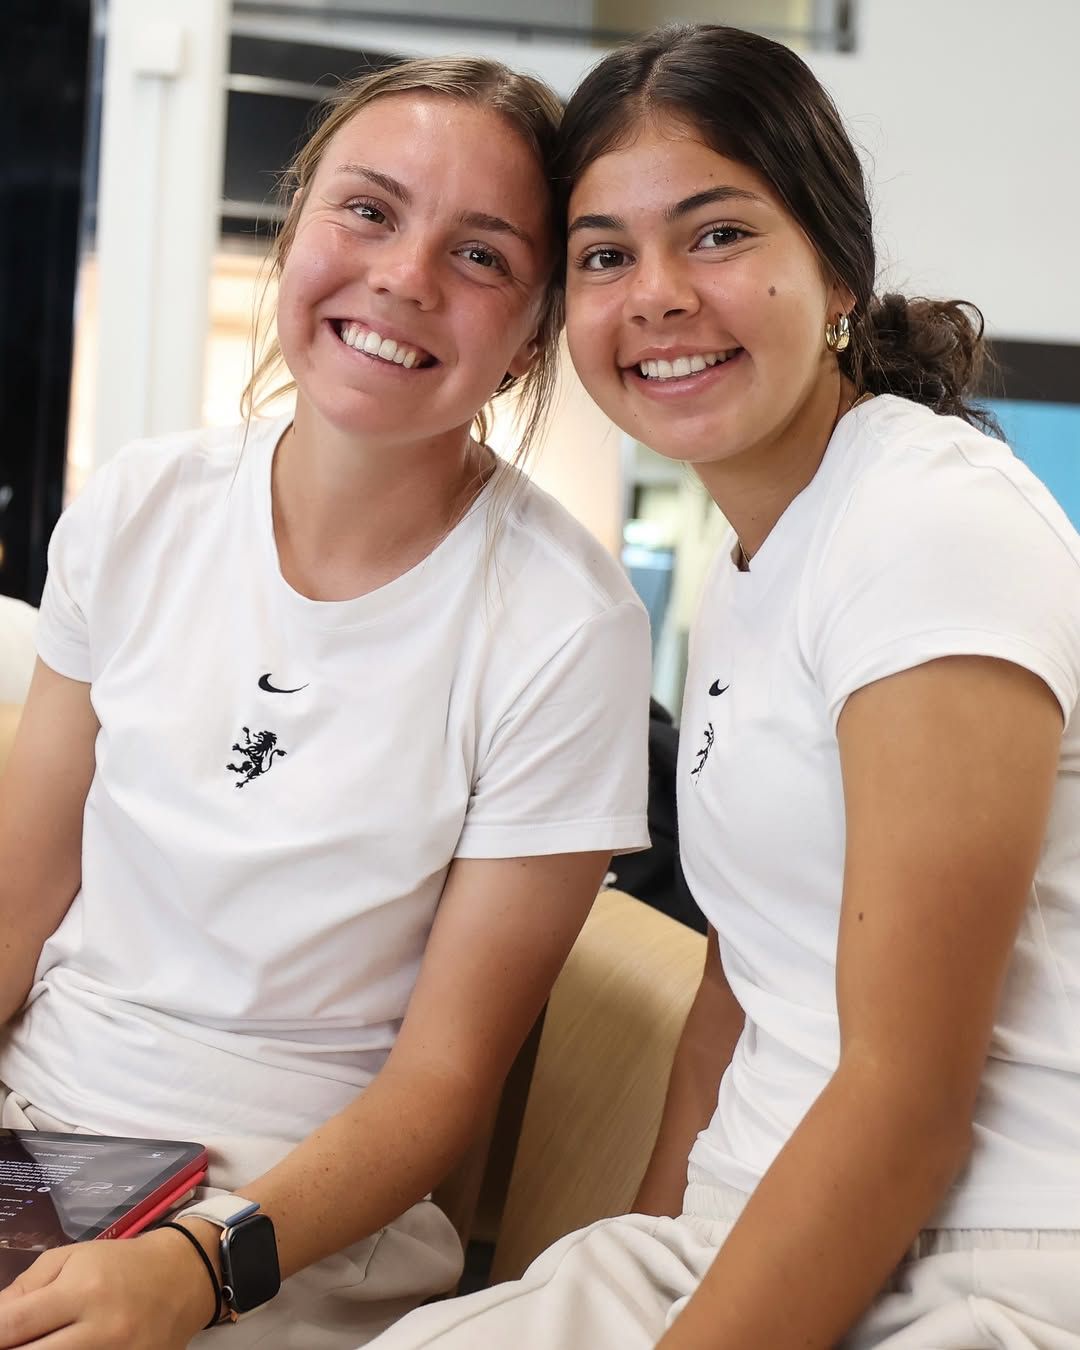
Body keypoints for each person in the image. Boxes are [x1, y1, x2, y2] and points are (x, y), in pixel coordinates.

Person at [367, 24, 1080, 1350]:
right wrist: (640, 1252)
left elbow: (909, 1101)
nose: (656, 295)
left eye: (717, 235)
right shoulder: (745, 564)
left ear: (839, 268)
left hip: (988, 1258)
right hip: (755, 1219)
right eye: (604, 256)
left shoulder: (928, 523)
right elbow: (737, 990)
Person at [0, 55, 652, 1350]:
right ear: (295, 225)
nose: (404, 276)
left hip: (280, 1225)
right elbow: (12, 910)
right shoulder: (141, 506)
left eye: (481, 255)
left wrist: (195, 1270)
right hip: (34, 1147)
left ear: (532, 339)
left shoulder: (567, 625)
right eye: (367, 209)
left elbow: (441, 1084)